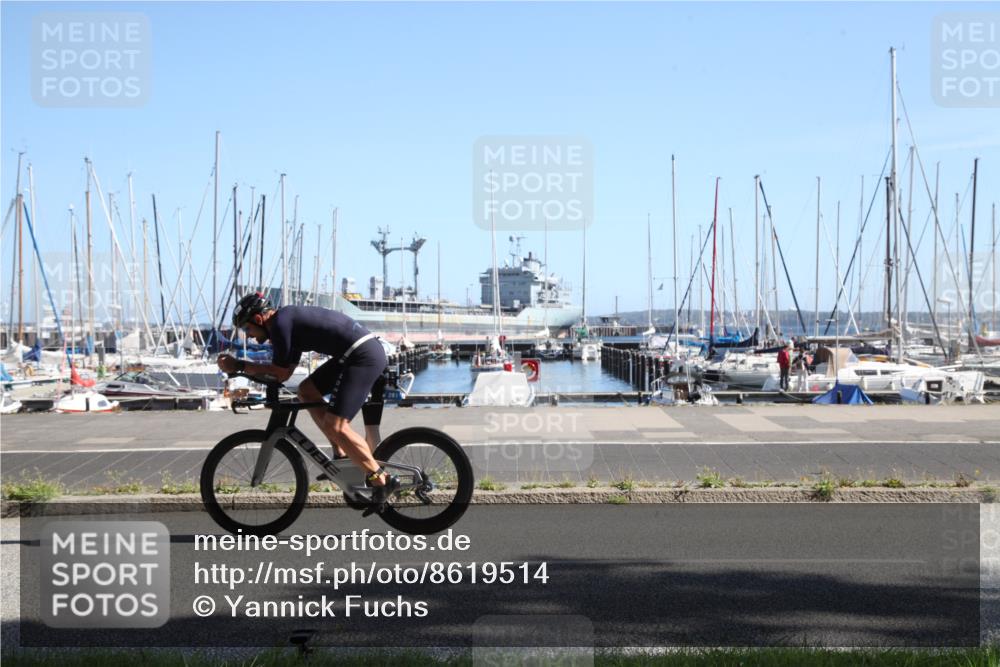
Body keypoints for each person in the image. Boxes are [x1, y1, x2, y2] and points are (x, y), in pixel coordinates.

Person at [218, 292, 395, 496]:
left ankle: (381, 480)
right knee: (306, 391)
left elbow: (279, 372)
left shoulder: (280, 325)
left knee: (336, 425)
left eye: (247, 328)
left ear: (259, 319)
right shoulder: (286, 323)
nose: (249, 336)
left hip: (362, 355)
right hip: (352, 354)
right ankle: (343, 457)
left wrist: (239, 365)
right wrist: (248, 371)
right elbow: (285, 374)